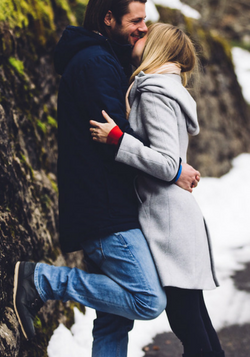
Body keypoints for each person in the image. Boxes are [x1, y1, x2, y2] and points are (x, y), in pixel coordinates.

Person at [12, 0, 201, 356]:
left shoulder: (101, 59)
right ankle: (43, 280)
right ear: (109, 18)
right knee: (148, 299)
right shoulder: (97, 63)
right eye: (136, 21)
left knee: (113, 321)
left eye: (145, 21)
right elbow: (116, 137)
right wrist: (172, 168)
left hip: (107, 204)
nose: (144, 28)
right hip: (107, 210)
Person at [89, 23, 225, 357]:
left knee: (188, 325)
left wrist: (119, 139)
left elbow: (166, 163)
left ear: (160, 47)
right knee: (196, 323)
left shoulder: (152, 92)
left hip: (169, 223)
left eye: (148, 35)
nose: (140, 35)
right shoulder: (166, 88)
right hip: (176, 217)